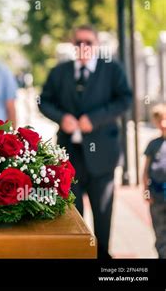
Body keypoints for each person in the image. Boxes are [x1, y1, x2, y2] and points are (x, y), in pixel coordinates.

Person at [39, 24, 132, 258]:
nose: (83, 47)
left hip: (103, 156)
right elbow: (43, 100)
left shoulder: (112, 70)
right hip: (69, 157)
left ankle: (102, 256)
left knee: (102, 215)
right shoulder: (59, 72)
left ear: (96, 44)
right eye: (78, 42)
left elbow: (125, 99)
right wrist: (62, 117)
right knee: (73, 216)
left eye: (88, 42)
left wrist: (96, 119)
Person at [143, 103, 166, 258]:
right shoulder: (153, 144)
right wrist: (146, 191)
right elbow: (145, 171)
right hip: (157, 194)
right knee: (160, 231)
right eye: (159, 121)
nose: (163, 124)